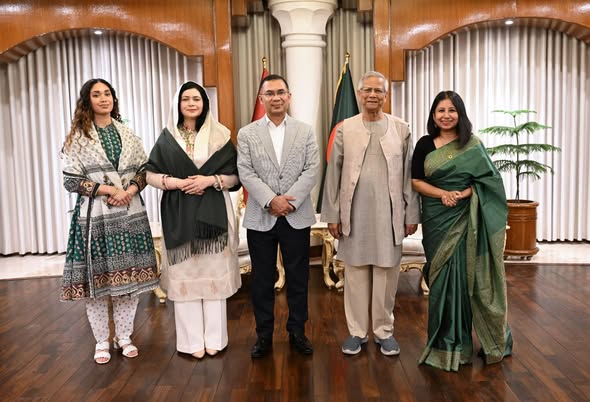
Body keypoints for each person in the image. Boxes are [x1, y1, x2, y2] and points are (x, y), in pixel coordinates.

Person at [321, 71, 420, 356]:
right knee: (354, 273)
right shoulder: (345, 128)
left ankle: (384, 331)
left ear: (386, 96)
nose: (373, 95)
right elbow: (333, 174)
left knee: (387, 275)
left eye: (378, 91)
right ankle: (356, 332)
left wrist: (411, 214)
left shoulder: (401, 129)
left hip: (389, 215)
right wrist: (333, 214)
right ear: (360, 94)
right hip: (354, 213)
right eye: (367, 90)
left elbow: (409, 176)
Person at [411, 90, 512, 371]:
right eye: (441, 110)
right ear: (433, 115)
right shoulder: (424, 144)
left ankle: (471, 342)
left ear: (460, 114)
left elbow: (490, 181)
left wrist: (463, 194)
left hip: (466, 216)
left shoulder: (472, 144)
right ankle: (445, 344)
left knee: (468, 278)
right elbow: (416, 181)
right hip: (437, 218)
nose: (446, 115)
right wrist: (443, 194)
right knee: (442, 278)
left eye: (452, 110)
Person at [60, 78, 159, 364]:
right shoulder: (78, 138)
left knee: (129, 280)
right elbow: (70, 180)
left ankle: (124, 336)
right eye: (96, 94)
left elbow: (144, 170)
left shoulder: (127, 133)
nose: (104, 98)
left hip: (130, 213)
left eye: (107, 94)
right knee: (98, 283)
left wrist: (129, 191)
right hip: (96, 218)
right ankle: (102, 340)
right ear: (87, 101)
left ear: (114, 99)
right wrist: (109, 190)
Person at [146, 81, 241, 359]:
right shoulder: (167, 138)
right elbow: (149, 175)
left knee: (213, 275)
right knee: (185, 274)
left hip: (214, 216)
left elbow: (236, 177)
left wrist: (209, 181)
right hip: (179, 215)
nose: (191, 103)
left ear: (204, 103)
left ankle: (215, 339)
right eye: (185, 99)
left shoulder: (221, 135)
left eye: (196, 99)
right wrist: (177, 183)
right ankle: (190, 342)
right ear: (178, 104)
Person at [237, 74, 320, 358]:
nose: (276, 98)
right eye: (270, 93)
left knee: (299, 278)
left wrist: (288, 202)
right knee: (261, 280)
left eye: (281, 92)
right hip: (261, 216)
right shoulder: (247, 133)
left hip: (296, 215)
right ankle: (263, 335)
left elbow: (312, 169)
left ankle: (297, 332)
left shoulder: (305, 131)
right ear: (261, 99)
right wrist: (271, 200)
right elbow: (245, 171)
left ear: (289, 97)